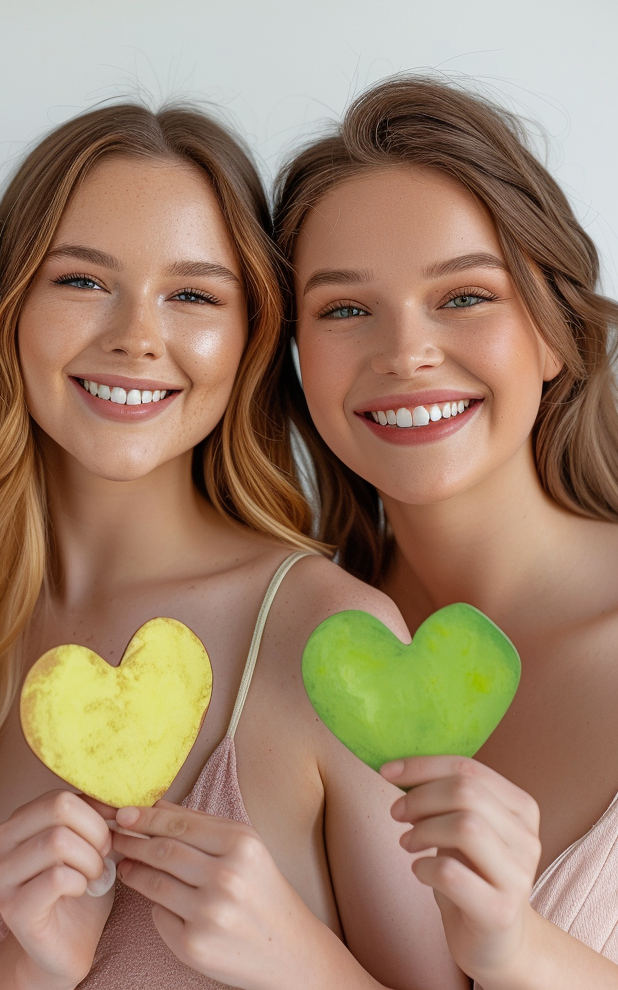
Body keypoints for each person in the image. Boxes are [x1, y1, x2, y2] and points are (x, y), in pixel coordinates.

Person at [0, 103, 465, 990]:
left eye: (194, 295)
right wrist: (36, 968)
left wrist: (308, 965)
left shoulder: (336, 636)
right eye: (82, 281)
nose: (136, 335)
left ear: (249, 339)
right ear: (8, 306)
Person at [274, 75, 618, 989]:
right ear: (295, 360)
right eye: (346, 309)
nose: (405, 353)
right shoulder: (288, 646)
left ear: (554, 335)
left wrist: (517, 949)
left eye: (464, 296)